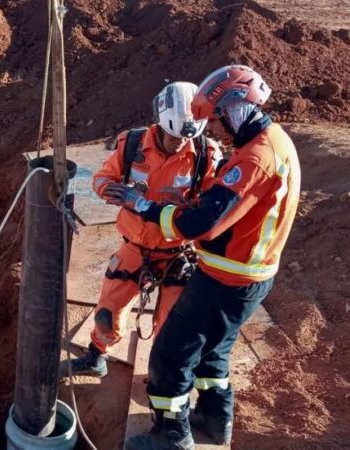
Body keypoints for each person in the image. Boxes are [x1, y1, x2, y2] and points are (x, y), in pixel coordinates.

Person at [113, 66, 301, 450]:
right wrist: (198, 203)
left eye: (215, 120)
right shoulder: (273, 141)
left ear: (236, 108)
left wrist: (146, 206)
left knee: (170, 353)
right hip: (248, 275)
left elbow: (201, 225)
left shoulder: (255, 159)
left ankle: (171, 435)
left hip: (226, 279)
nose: (213, 130)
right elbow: (232, 207)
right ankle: (216, 421)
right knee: (213, 352)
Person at [68, 82, 221, 378]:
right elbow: (101, 179)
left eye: (183, 137)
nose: (178, 143)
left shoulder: (205, 155)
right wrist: (118, 192)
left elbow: (214, 207)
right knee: (108, 308)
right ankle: (96, 355)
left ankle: (162, 377)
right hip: (135, 246)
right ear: (160, 123)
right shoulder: (133, 145)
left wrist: (189, 208)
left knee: (171, 323)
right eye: (172, 135)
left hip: (178, 252)